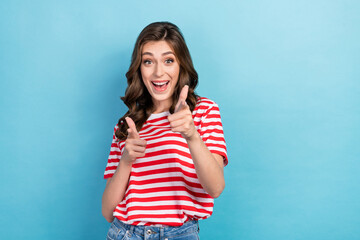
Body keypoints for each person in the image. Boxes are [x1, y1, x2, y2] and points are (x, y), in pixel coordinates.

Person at [102, 21, 228, 240]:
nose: (158, 72)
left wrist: (192, 136)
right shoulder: (127, 126)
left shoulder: (202, 111)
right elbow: (107, 211)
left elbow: (215, 188)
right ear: (139, 69)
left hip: (178, 235)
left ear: (181, 65)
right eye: (148, 61)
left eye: (168, 60)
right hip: (124, 234)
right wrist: (126, 160)